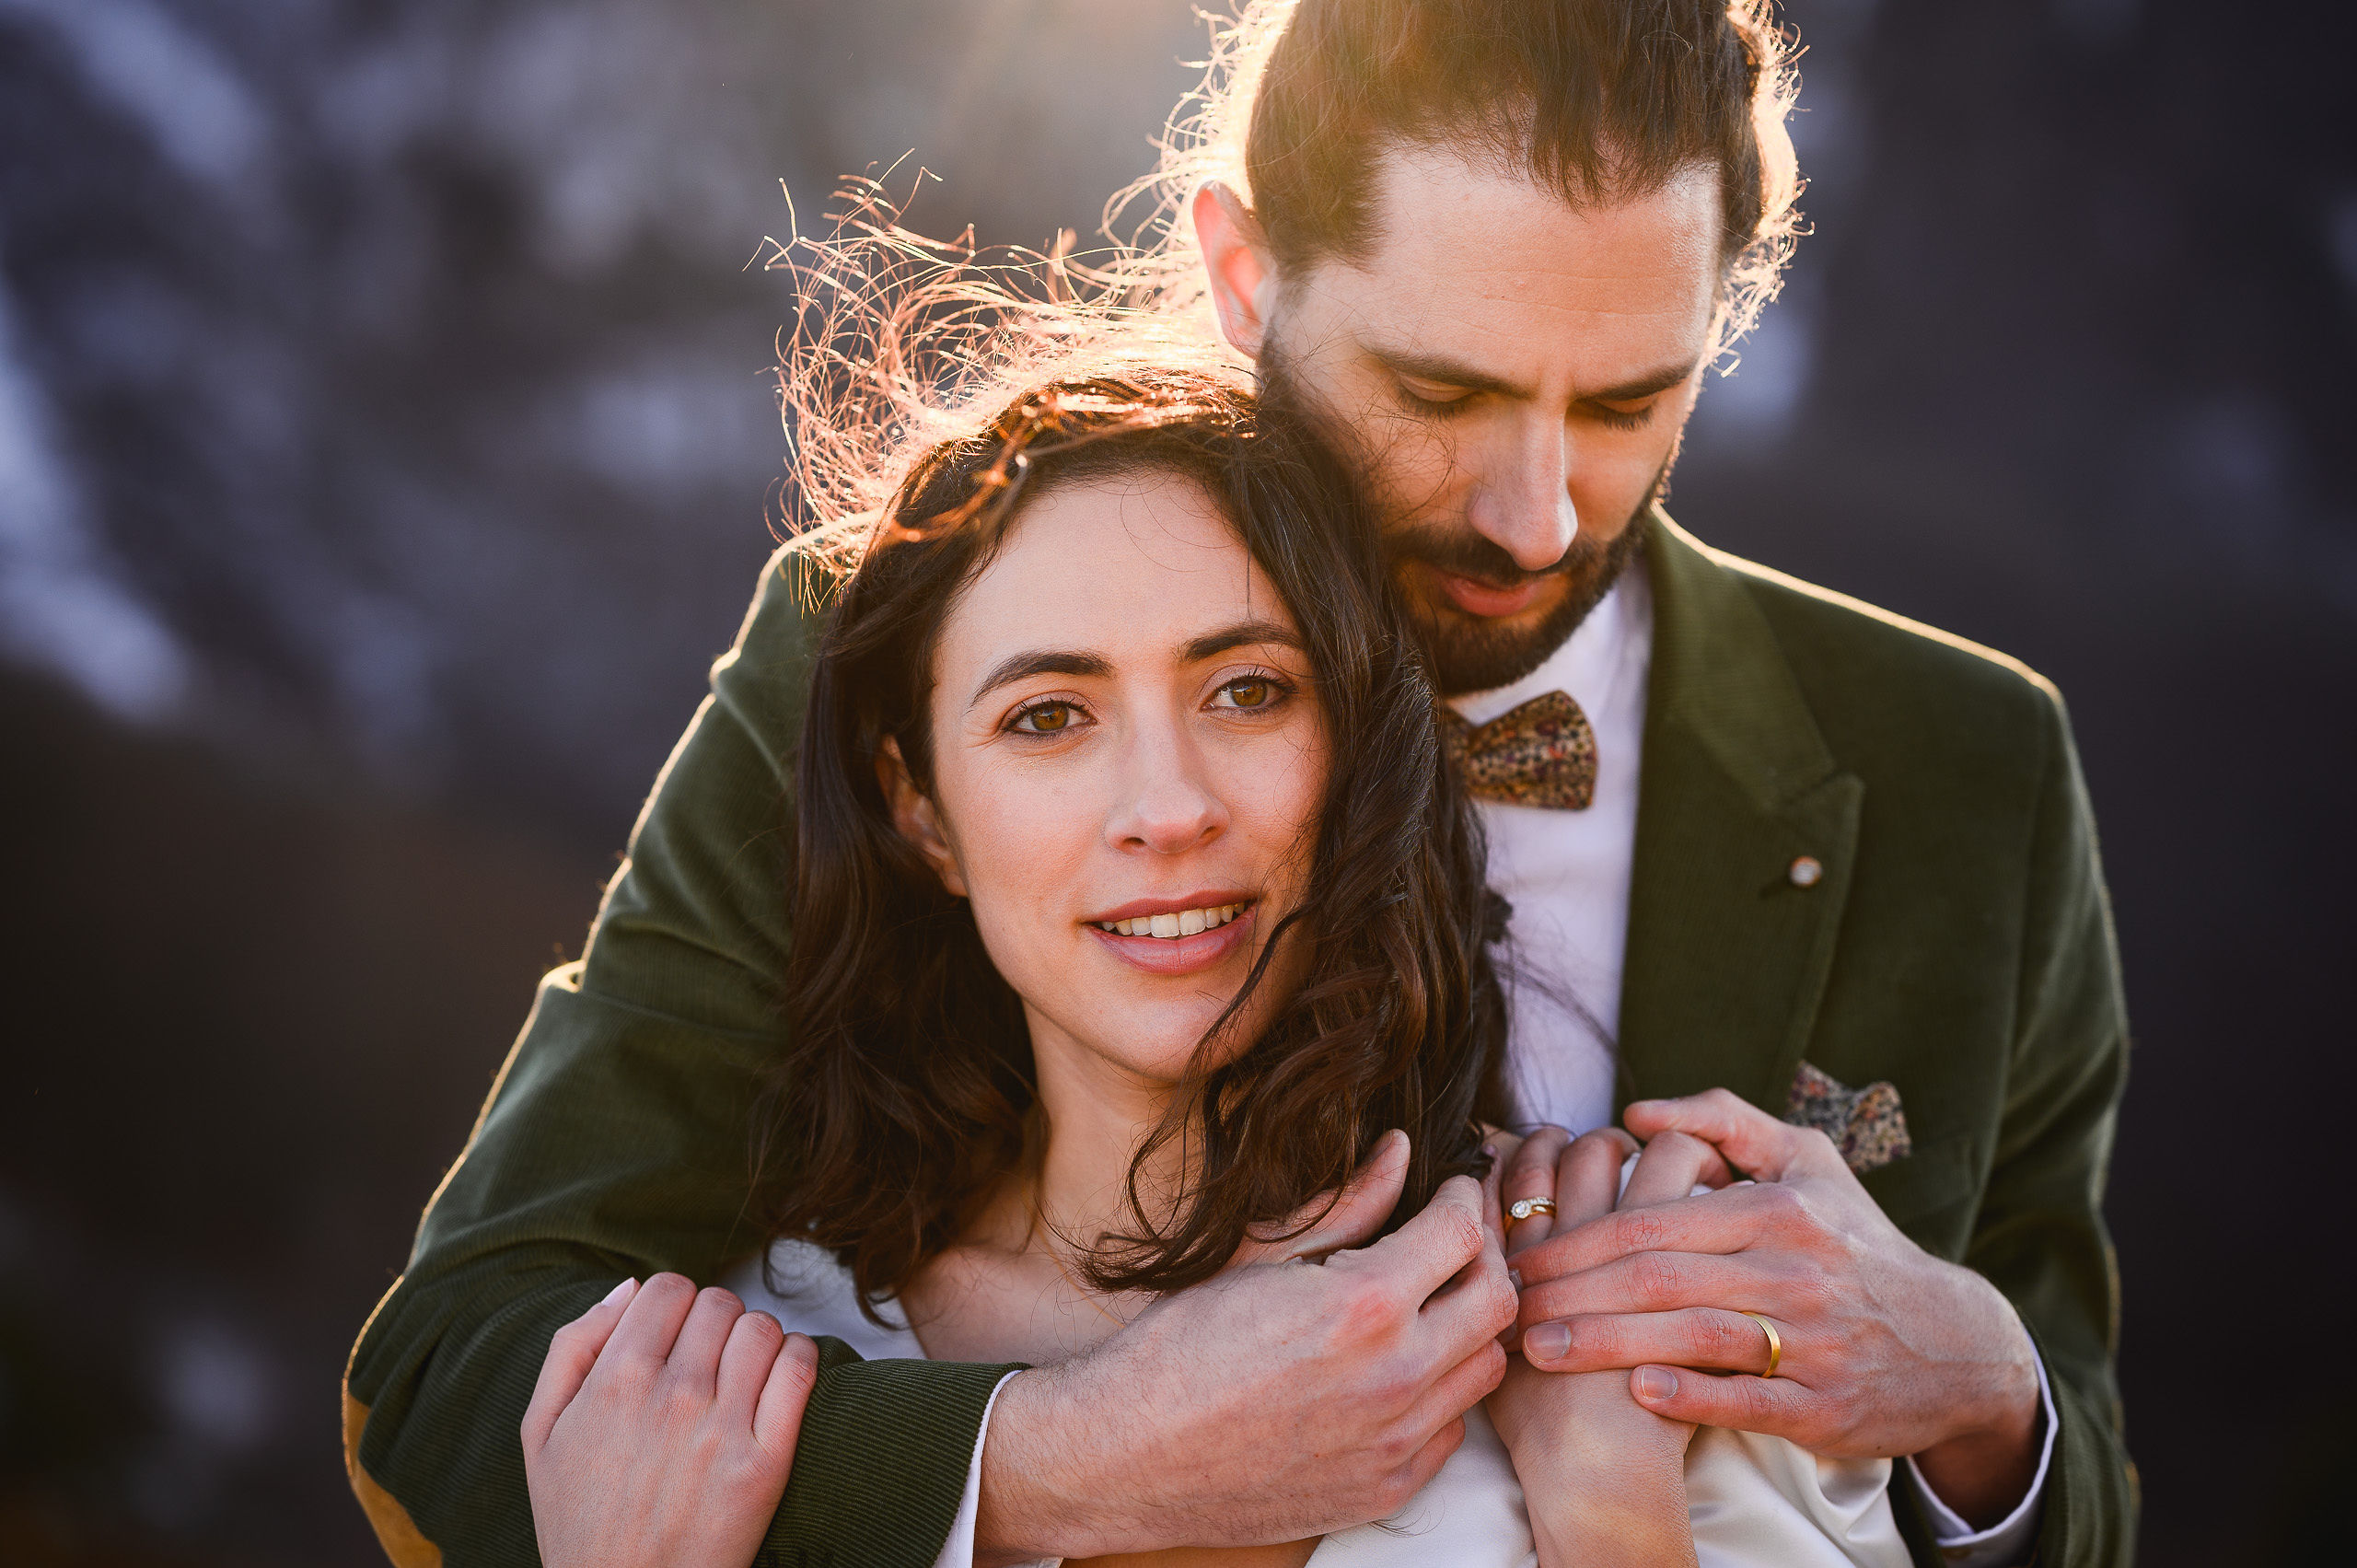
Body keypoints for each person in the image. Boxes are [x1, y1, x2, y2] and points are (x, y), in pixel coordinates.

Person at [343, 3, 2133, 1564]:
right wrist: (1068, 1460)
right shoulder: (893, 644)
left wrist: (1978, 1397)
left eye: (1625, 406)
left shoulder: (1962, 771)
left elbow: (2081, 1487)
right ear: (1243, 270)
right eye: (1441, 389)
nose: (1535, 515)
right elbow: (467, 1359)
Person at [522, 367, 1917, 1568]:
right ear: (922, 813)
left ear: (1360, 748)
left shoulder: (1645, 1315)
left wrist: (1608, 1506)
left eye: (1248, 690)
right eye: (1050, 716)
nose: (1168, 806)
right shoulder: (736, 1386)